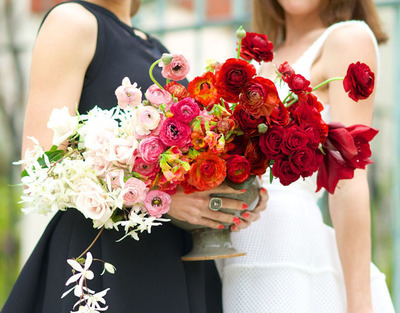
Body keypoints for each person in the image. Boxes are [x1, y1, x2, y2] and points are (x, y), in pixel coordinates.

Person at [2, 1, 268, 312]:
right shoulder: (72, 21)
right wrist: (161, 199)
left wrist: (233, 187)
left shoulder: (157, 48)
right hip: (104, 259)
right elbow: (40, 162)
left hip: (173, 257)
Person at [217, 0, 396, 312]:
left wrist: (360, 304)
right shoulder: (254, 59)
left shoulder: (346, 39)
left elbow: (348, 181)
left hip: (287, 251)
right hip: (232, 253)